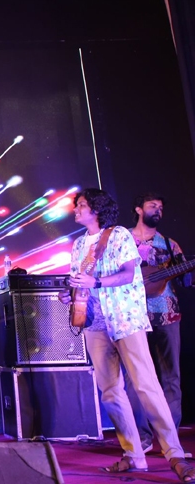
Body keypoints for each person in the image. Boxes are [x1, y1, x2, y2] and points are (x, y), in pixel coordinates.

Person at [59, 188, 192, 481]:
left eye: (81, 205)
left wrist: (96, 282)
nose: (76, 210)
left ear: (96, 209)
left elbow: (129, 274)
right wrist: (70, 294)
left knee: (147, 385)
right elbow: (81, 282)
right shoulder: (78, 245)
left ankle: (176, 454)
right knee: (110, 391)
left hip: (125, 320)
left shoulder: (119, 235)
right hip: (95, 324)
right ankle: (133, 455)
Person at [127, 192, 191, 454]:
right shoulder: (124, 240)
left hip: (167, 314)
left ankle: (170, 437)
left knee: (170, 376)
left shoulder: (169, 244)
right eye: (153, 206)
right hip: (133, 315)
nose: (158, 210)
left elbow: (185, 279)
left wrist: (187, 274)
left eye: (161, 207)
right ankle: (141, 437)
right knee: (135, 376)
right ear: (139, 209)